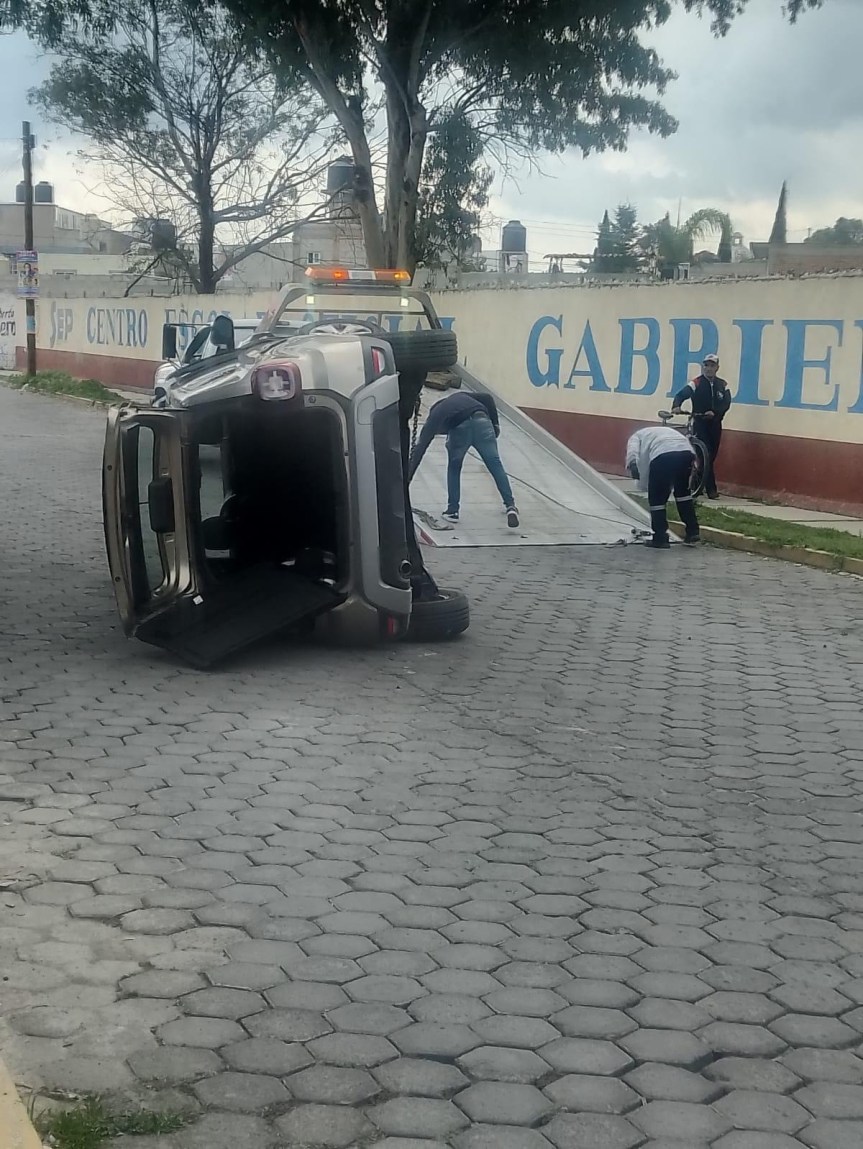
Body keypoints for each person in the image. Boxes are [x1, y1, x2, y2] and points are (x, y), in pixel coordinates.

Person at [408, 389, 520, 527]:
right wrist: (495, 424)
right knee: (495, 464)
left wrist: (406, 481)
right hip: (483, 421)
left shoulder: (435, 416)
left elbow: (420, 449)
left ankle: (452, 511)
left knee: (454, 467)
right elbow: (487, 397)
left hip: (460, 428)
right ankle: (510, 506)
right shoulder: (461, 396)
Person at [625, 424, 700, 549]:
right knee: (683, 494)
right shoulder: (665, 431)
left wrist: (633, 465)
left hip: (663, 455)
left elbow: (633, 452)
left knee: (657, 499)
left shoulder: (636, 436)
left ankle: (660, 538)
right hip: (686, 453)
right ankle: (693, 532)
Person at [671, 353, 731, 498]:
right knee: (706, 455)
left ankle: (697, 483)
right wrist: (676, 405)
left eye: (712, 366)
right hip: (700, 422)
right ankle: (711, 490)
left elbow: (726, 403)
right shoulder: (696, 383)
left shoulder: (722, 385)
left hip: (715, 424)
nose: (708, 369)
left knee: (711, 456)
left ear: (717, 368)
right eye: (706, 365)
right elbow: (681, 394)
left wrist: (715, 413)